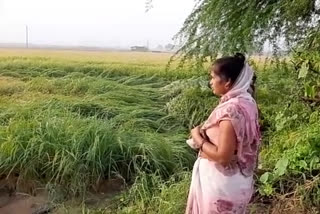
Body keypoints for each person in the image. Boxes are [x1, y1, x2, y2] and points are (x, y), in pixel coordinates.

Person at [185, 53, 261, 214]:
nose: (210, 82)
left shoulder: (231, 110)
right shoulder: (248, 102)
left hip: (221, 187)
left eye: (213, 77)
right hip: (237, 181)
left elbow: (223, 157)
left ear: (227, 82)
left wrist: (197, 136)